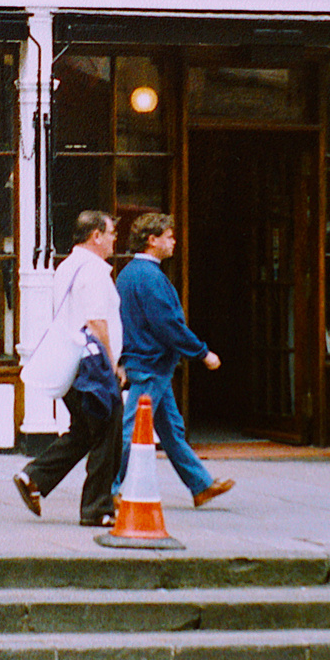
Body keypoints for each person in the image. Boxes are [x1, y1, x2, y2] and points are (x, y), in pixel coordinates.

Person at [113, 212, 235, 508]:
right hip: (151, 364)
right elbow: (168, 324)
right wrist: (202, 352)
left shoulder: (129, 273)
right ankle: (111, 488)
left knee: (171, 430)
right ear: (152, 240)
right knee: (132, 429)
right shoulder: (151, 277)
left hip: (148, 363)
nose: (173, 242)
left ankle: (200, 485)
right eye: (168, 236)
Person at [13, 210, 124, 527]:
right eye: (112, 233)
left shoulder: (67, 267)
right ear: (96, 236)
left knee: (84, 432)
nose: (115, 239)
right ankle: (97, 509)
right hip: (92, 368)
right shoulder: (93, 271)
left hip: (71, 364)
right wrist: (112, 363)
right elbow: (96, 320)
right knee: (106, 432)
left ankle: (32, 477)